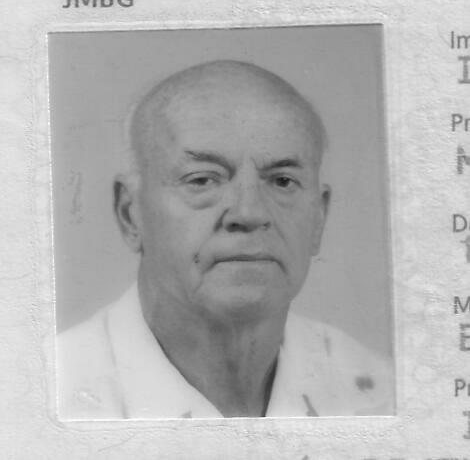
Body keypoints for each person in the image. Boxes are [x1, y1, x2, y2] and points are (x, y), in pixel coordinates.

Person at [58, 60, 393, 419]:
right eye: (202, 180)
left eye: (282, 181)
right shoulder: (45, 395)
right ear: (130, 213)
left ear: (319, 218)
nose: (249, 213)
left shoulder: (383, 396)